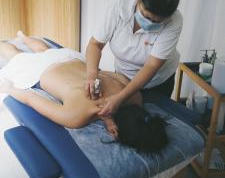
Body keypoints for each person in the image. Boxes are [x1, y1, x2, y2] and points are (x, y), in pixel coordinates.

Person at [0, 32, 168, 153]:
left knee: (45, 50)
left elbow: (105, 74)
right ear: (115, 131)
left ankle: (23, 36)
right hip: (41, 70)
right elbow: (30, 99)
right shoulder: (76, 117)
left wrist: (107, 113)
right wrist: (8, 88)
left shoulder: (134, 95)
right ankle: (19, 40)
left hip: (73, 58)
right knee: (15, 54)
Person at [85, 0, 182, 117]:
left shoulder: (174, 22)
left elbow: (151, 65)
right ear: (138, 0)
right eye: (145, 15)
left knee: (147, 120)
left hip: (157, 82)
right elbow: (95, 44)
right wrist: (92, 74)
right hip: (122, 76)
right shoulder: (119, 8)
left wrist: (121, 97)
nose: (148, 23)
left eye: (156, 22)